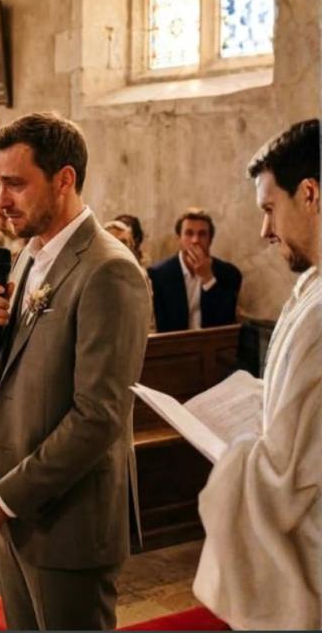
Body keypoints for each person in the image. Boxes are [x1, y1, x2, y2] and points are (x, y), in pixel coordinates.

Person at [0, 112, 150, 630]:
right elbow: (14, 370)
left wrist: (2, 499)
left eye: (15, 184)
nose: (0, 201)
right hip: (20, 515)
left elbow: (98, 416)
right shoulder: (28, 255)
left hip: (69, 522)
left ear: (64, 179)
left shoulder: (109, 270)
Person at [193, 120, 321, 631]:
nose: (265, 231)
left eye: (270, 208)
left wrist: (235, 455)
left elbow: (283, 479)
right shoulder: (311, 286)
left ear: (309, 194)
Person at [148, 208, 242, 332]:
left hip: (212, 342)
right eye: (189, 233)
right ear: (178, 238)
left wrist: (208, 279)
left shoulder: (229, 273)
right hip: (174, 342)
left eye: (202, 234)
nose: (195, 240)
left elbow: (225, 321)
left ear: (210, 240)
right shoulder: (158, 275)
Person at [105, 220, 156, 332]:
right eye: (113, 241)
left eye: (124, 242)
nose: (119, 247)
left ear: (131, 246)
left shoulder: (141, 275)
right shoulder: (94, 275)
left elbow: (149, 319)